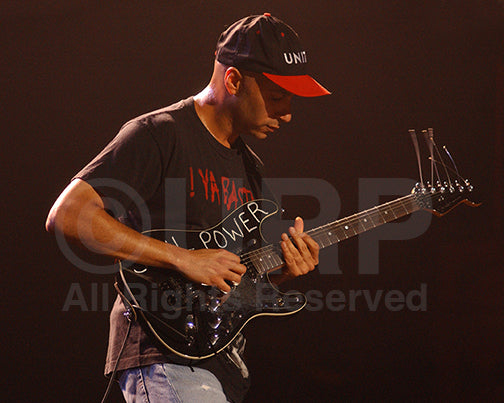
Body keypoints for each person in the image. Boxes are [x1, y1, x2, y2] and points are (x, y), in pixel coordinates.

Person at [46, 13, 330, 403]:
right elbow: (69, 215)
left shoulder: (252, 169)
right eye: (278, 97)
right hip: (162, 353)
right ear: (233, 80)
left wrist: (278, 276)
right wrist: (183, 258)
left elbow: (233, 290)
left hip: (219, 362)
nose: (288, 113)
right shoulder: (159, 133)